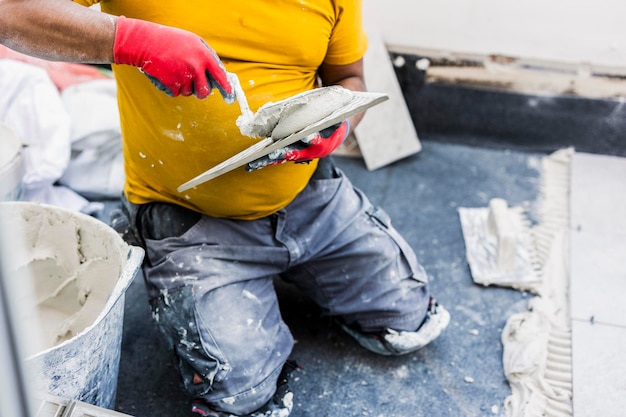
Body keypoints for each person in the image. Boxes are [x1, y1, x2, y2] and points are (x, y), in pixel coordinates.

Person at [0, 1, 450, 416]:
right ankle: (200, 264)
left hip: (311, 199)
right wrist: (132, 42)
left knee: (410, 323)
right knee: (239, 396)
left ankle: (290, 268)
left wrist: (341, 122)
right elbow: (11, 12)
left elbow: (350, 81)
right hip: (189, 216)